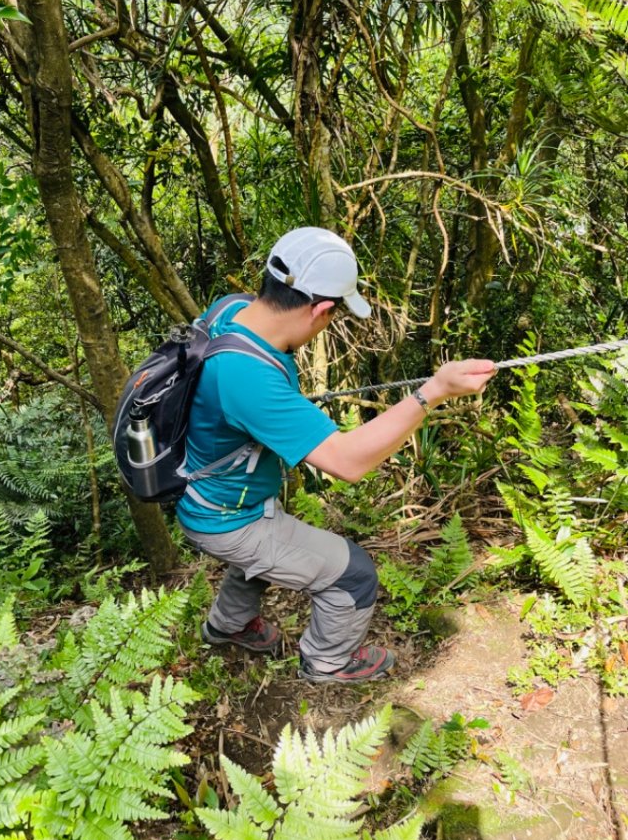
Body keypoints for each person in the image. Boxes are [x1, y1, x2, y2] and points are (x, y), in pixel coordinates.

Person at [176, 227, 495, 684]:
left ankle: (227, 626)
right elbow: (348, 463)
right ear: (322, 308)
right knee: (354, 574)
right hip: (228, 518)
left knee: (273, 552)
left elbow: (247, 396)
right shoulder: (247, 378)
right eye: (334, 315)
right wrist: (433, 392)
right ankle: (328, 662)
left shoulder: (232, 310)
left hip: (211, 496)